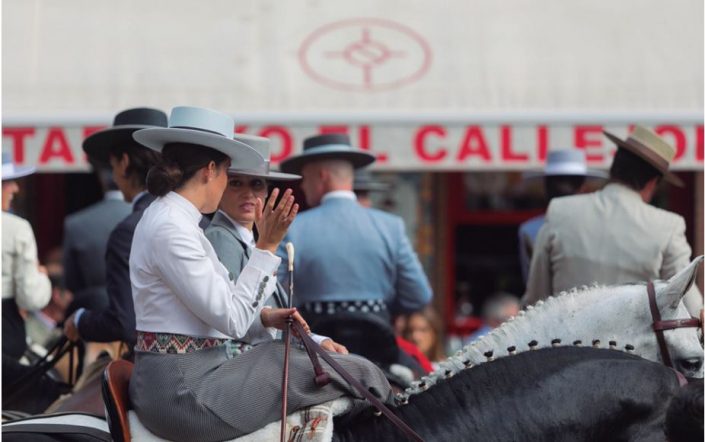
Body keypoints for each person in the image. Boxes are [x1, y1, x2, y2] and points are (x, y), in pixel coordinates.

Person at [127, 107, 392, 440]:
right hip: (185, 393)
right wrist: (267, 246)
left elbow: (218, 311)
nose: (234, 187)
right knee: (358, 372)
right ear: (211, 170)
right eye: (230, 176)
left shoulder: (175, 221)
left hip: (189, 379)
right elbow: (232, 320)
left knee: (324, 364)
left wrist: (266, 318)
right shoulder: (172, 227)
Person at [523, 125, 703, 318]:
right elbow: (692, 307)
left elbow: (535, 300)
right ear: (652, 182)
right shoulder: (668, 226)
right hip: (632, 347)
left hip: (565, 343)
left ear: (613, 169)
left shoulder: (559, 211)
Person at [204, 133, 346, 353]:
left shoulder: (252, 238)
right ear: (220, 185)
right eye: (236, 183)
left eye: (257, 184)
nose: (248, 194)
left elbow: (277, 315)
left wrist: (316, 340)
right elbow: (231, 319)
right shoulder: (221, 238)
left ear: (267, 190)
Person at [277, 134, 432, 327]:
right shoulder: (391, 227)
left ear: (322, 176)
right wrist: (379, 307)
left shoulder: (294, 228)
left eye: (305, 178)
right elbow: (419, 295)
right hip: (377, 344)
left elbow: (272, 291)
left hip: (313, 346)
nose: (302, 185)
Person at [63, 108, 167, 355]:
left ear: (124, 163)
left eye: (112, 163)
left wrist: (79, 320)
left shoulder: (129, 230)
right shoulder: (193, 217)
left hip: (156, 375)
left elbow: (125, 323)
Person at [1, 151, 61, 413]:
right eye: (7, 181)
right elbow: (31, 297)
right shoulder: (16, 227)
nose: (14, 188)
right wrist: (43, 277)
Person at [518, 150, 607, 283]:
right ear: (583, 188)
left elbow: (532, 285)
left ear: (546, 187)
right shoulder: (602, 228)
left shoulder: (529, 230)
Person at [63, 162, 130, 314]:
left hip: (93, 316)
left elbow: (71, 283)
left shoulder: (75, 224)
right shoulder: (147, 216)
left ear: (100, 179)